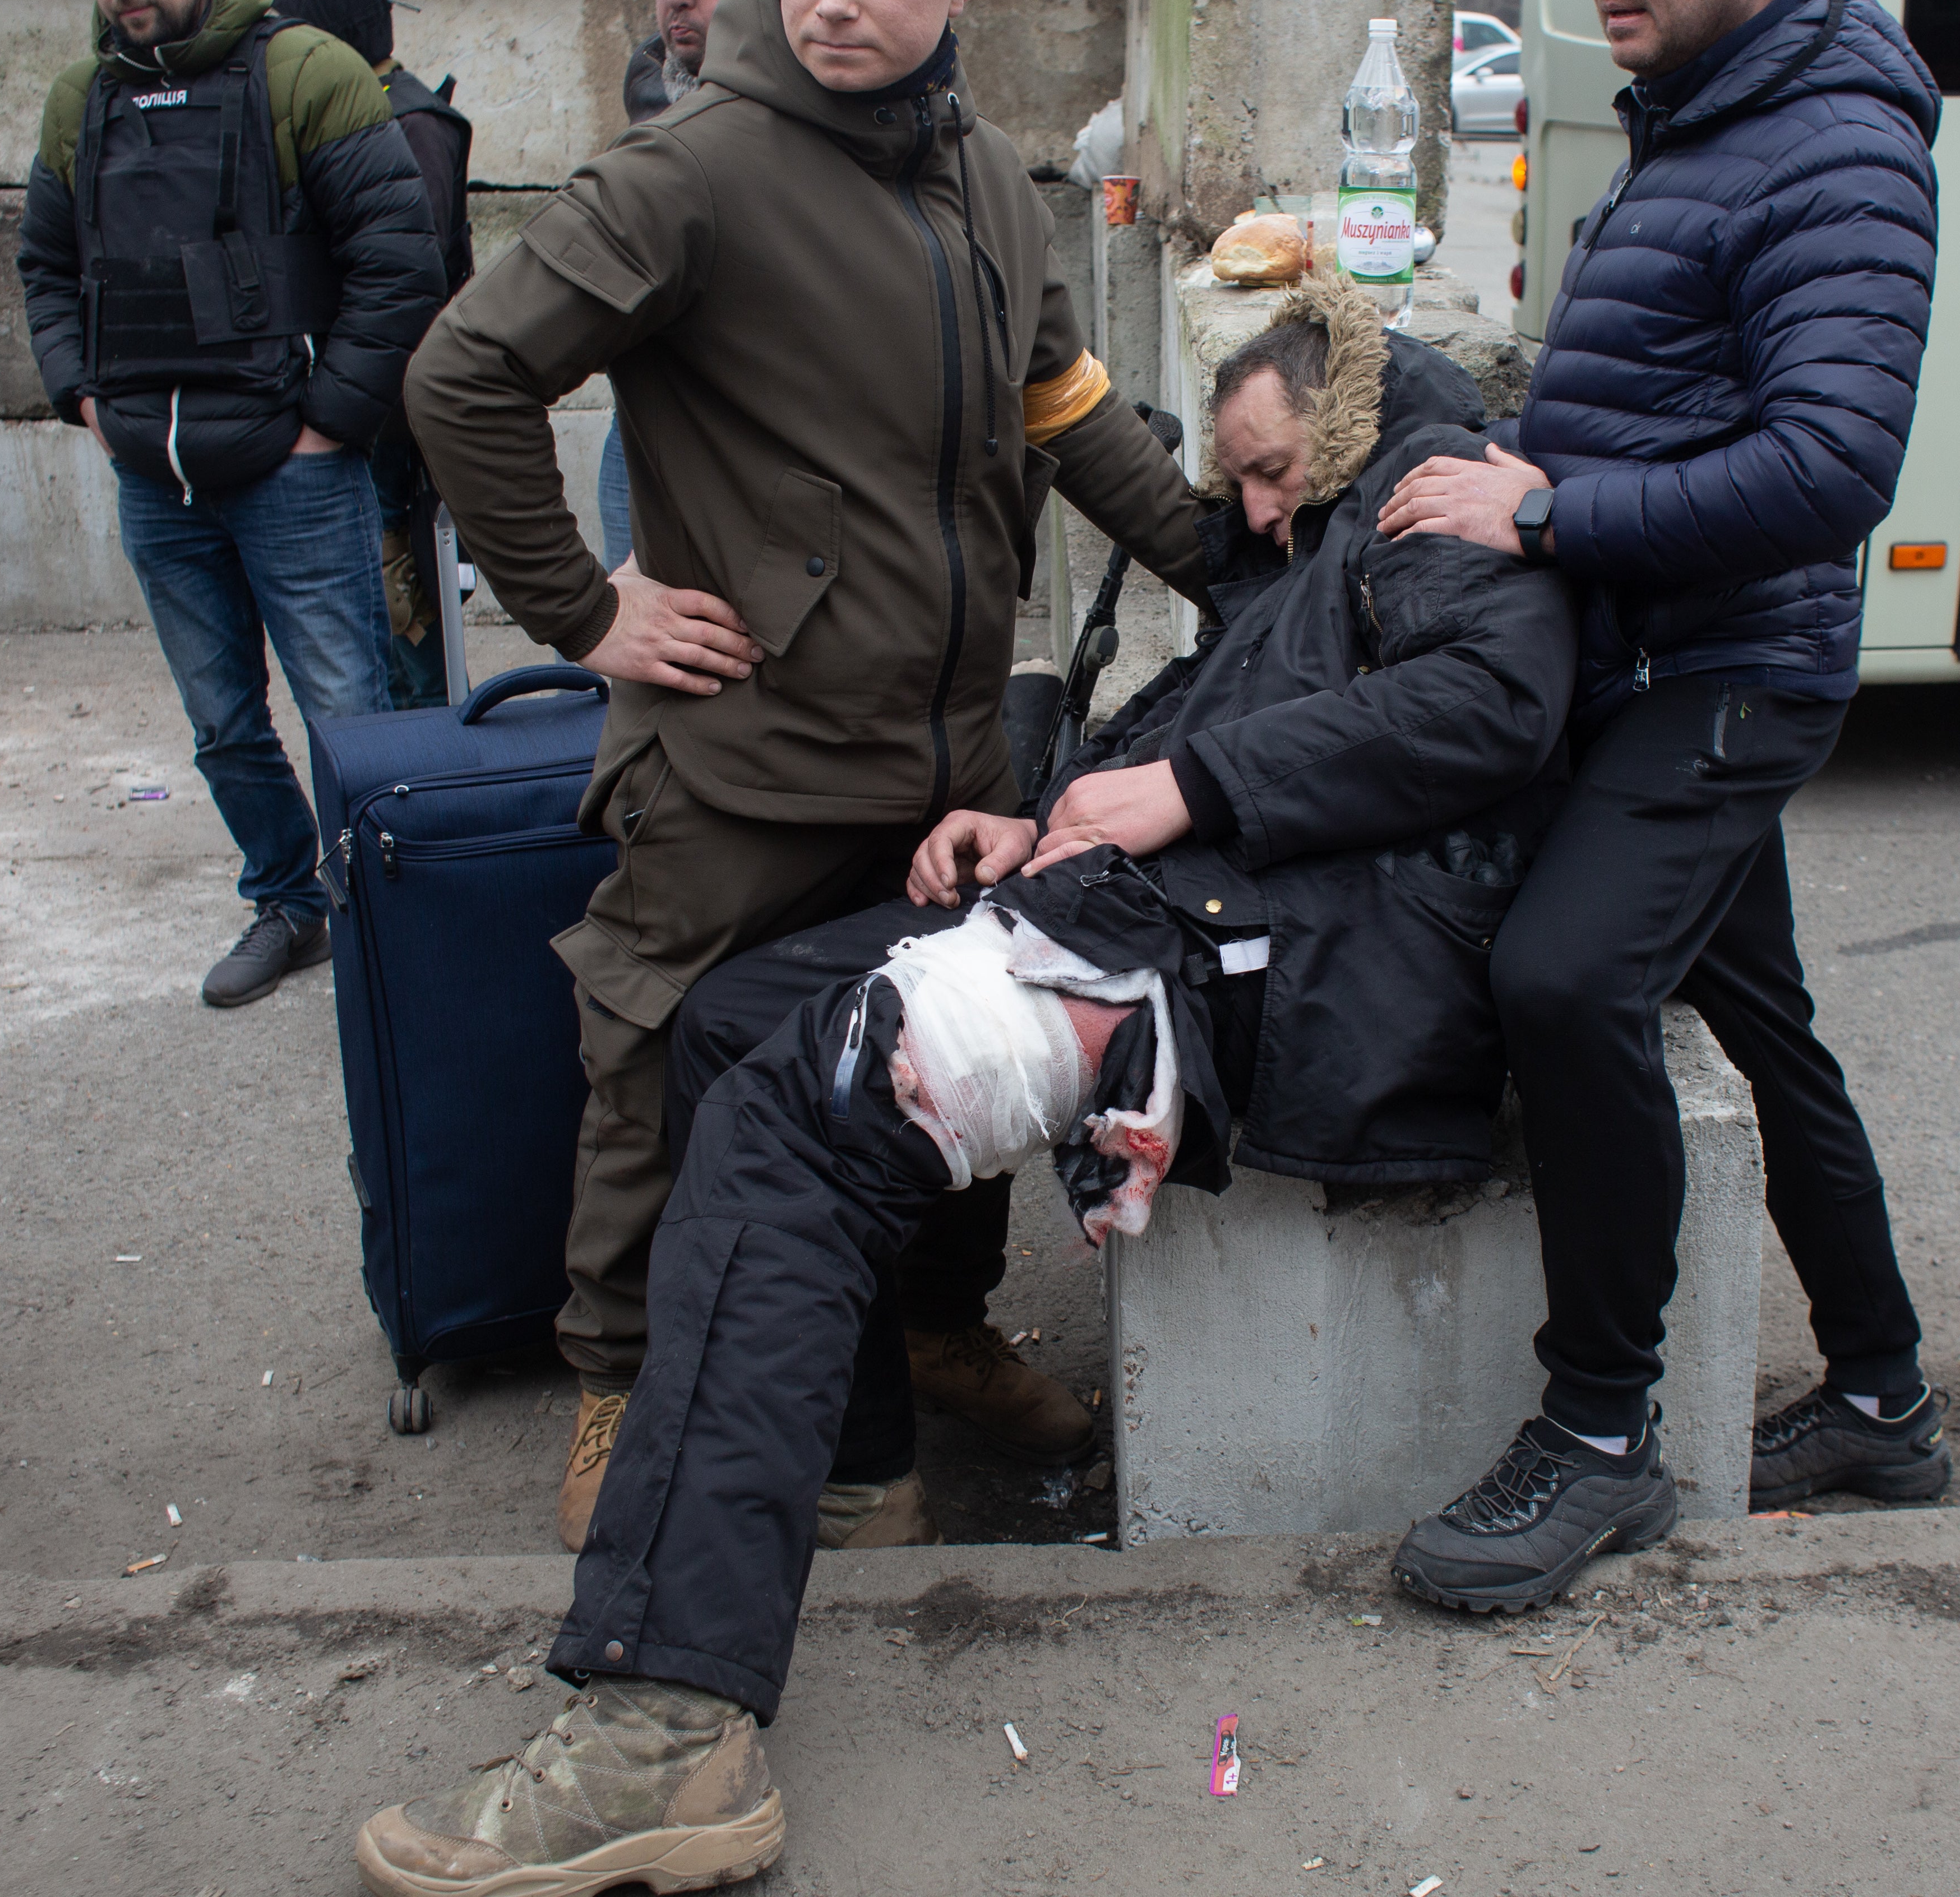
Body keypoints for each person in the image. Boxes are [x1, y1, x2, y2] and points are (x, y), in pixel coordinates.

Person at [351, 271, 1573, 1897]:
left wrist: (1171, 792)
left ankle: (667, 1719)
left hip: (1259, 980)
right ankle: (860, 1483)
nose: (1254, 514)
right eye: (1239, 483)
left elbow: (1486, 708)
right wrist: (1047, 817)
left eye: (1278, 472)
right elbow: (1224, 734)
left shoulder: (1428, 516)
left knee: (807, 1102)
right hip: (1158, 912)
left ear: (1351, 432)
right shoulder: (1316, 537)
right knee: (729, 1027)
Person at [403, 0, 1206, 1555]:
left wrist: (1237, 556)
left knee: (940, 1068)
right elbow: (464, 376)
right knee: (651, 1073)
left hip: (941, 765)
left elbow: (1063, 407)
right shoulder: (693, 171)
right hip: (740, 766)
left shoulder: (989, 182)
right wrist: (580, 610)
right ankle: (622, 1380)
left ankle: (926, 1335)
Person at [1375, 0, 1947, 1611]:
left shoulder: (1838, 141)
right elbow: (1646, 399)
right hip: (1658, 646)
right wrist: (1486, 443)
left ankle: (1601, 1435)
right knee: (1767, 1024)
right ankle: (1883, 1398)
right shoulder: (1701, 113)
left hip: (1729, 669)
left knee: (1560, 974)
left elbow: (1831, 467)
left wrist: (1544, 518)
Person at [16, 0, 446, 1008]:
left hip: (295, 472)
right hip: (155, 476)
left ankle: (392, 923)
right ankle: (289, 901)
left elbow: (399, 266)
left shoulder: (306, 72)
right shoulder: (81, 102)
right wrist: (86, 399)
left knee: (351, 714)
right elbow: (47, 268)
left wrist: (332, 425)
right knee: (220, 725)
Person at [272, 0, 475, 709]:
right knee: (386, 603)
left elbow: (403, 275)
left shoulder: (408, 119)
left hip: (393, 407)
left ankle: (428, 769)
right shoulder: (373, 109)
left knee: (408, 607)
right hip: (371, 400)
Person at [598, 0, 770, 571]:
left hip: (756, 431)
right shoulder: (647, 112)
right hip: (641, 425)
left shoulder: (813, 108)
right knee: (637, 632)